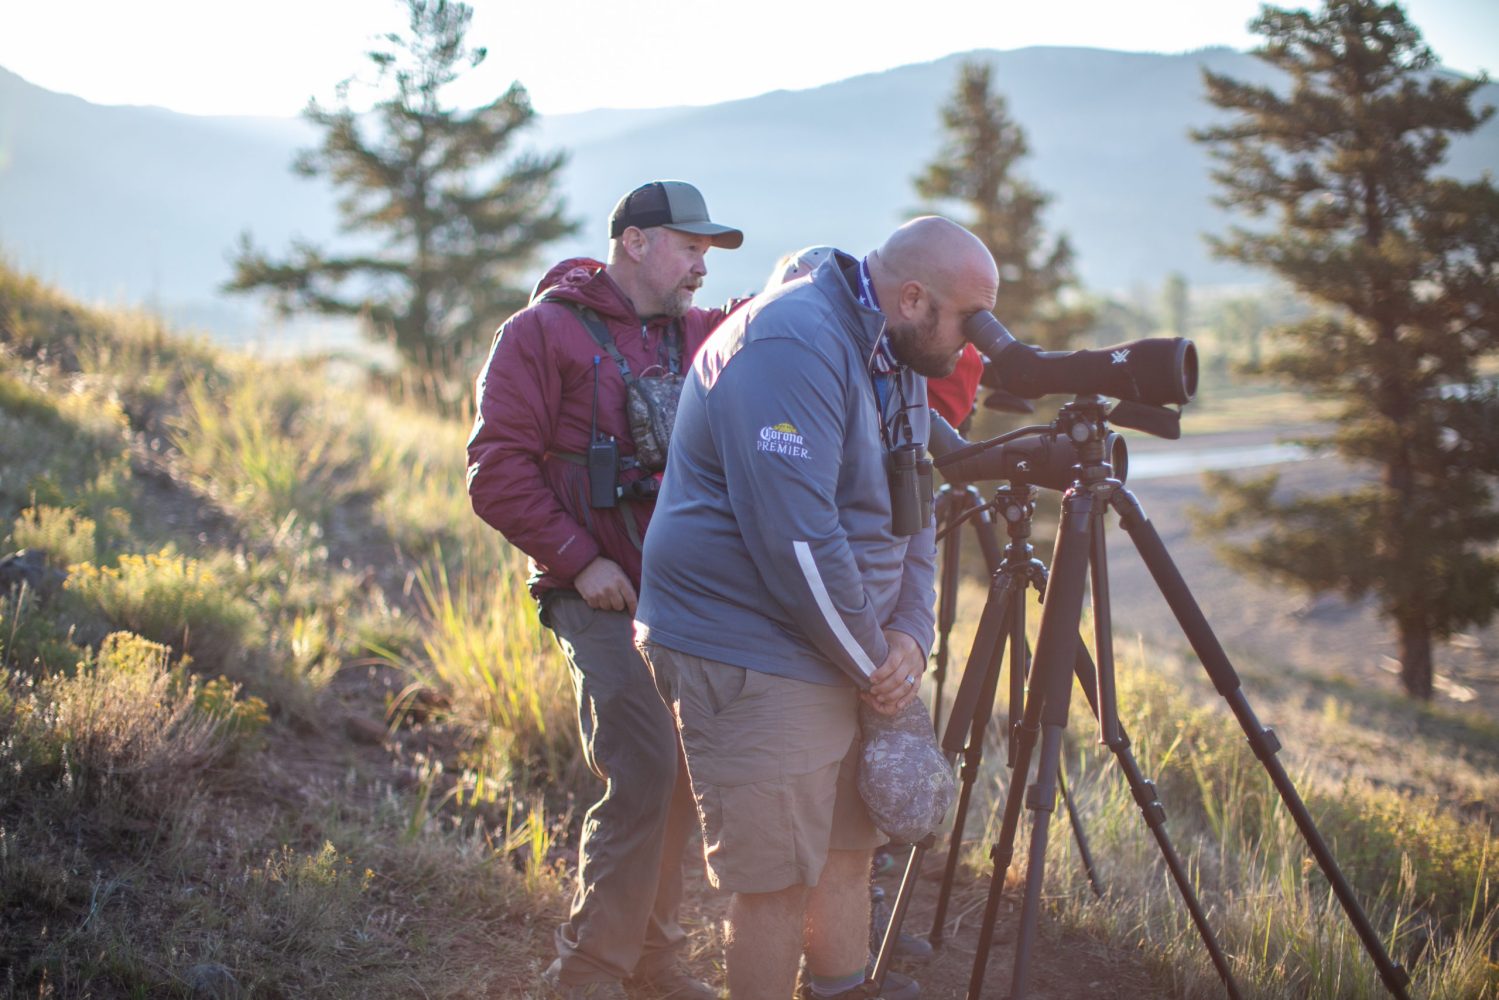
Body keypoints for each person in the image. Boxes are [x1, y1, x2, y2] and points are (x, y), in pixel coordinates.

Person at [636, 216, 999, 1000]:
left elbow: (913, 511)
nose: (978, 342)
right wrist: (878, 665)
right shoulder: (788, 345)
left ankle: (841, 989)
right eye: (971, 320)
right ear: (911, 297)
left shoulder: (892, 348)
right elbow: (797, 545)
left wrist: (910, 632)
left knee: (845, 851)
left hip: (839, 643)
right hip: (747, 642)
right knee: (776, 880)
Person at [467, 180, 743, 1000]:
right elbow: (495, 470)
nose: (701, 265)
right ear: (635, 242)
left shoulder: (700, 335)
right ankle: (585, 973)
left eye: (706, 253)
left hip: (682, 599)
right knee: (647, 766)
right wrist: (581, 559)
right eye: (689, 246)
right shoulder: (539, 332)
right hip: (591, 593)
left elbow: (777, 322)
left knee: (683, 772)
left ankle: (653, 962)